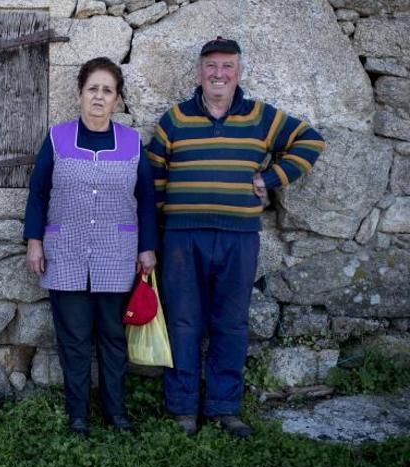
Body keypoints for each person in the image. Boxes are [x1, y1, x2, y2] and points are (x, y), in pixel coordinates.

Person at [147, 37, 325, 438]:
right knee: (184, 322)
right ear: (199, 72)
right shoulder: (173, 120)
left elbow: (310, 140)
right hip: (182, 239)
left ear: (239, 73)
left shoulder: (261, 117)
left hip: (238, 237)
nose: (218, 74)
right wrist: (159, 234)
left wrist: (273, 177)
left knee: (230, 323)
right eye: (211, 66)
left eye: (227, 67)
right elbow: (154, 177)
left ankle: (225, 408)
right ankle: (183, 410)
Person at [24, 57, 157, 438]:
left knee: (113, 340)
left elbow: (146, 198)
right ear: (80, 94)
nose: (99, 97)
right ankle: (78, 416)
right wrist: (34, 241)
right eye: (92, 89)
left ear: (117, 99)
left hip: (116, 256)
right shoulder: (57, 138)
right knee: (74, 341)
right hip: (64, 253)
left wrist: (147, 247)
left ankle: (117, 414)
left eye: (107, 90)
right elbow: (38, 193)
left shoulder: (131, 142)